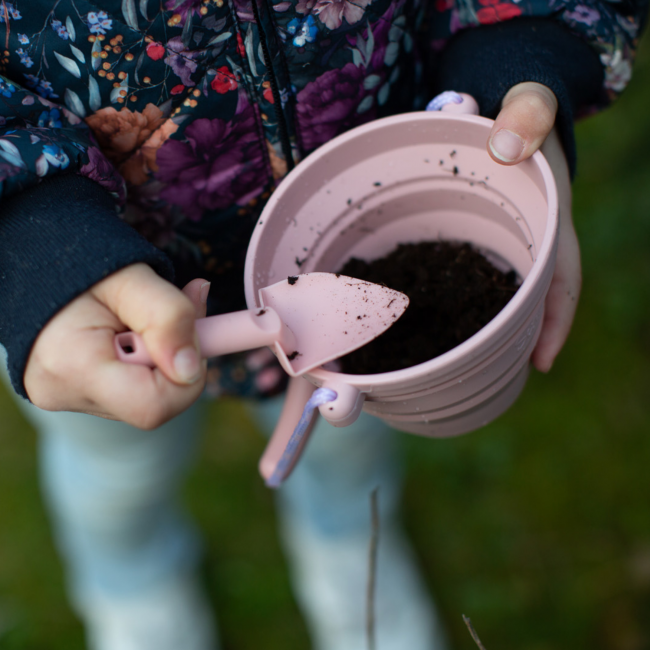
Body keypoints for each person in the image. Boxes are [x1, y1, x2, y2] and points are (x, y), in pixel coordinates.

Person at [0, 1, 646, 648]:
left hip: (357, 251)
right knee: (117, 472)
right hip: (93, 299)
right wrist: (36, 247)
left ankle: (348, 551)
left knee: (347, 447)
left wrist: (519, 61)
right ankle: (131, 581)